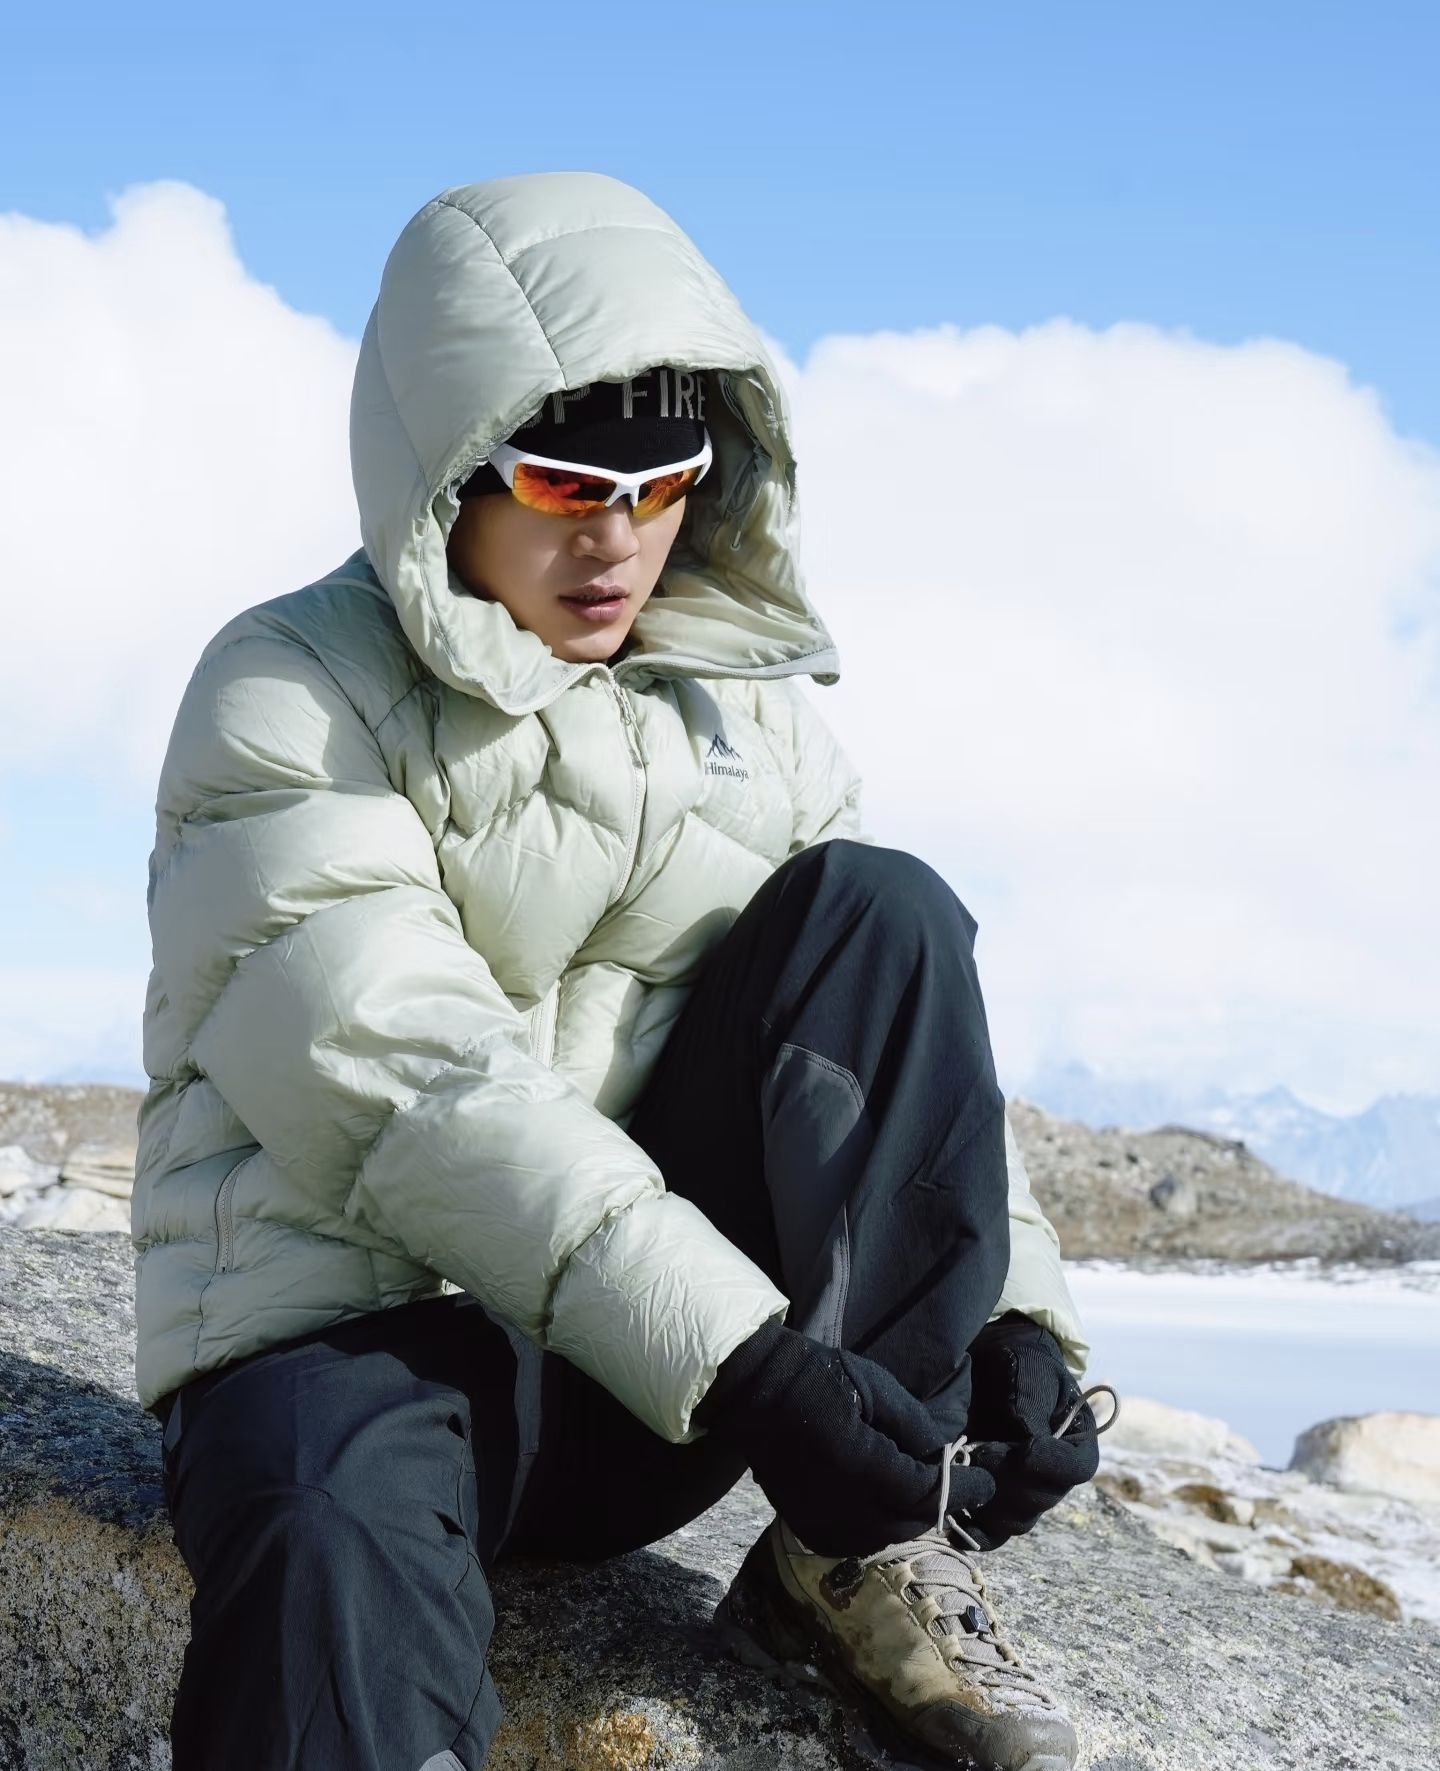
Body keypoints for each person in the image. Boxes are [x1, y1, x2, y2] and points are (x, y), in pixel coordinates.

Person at [135, 171, 1108, 1771]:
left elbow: (892, 1056)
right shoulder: (286, 693)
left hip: (633, 1393)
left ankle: (851, 1556)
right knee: (315, 1550)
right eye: (563, 483)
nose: (618, 540)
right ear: (445, 464)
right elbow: (413, 1085)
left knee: (881, 912)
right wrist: (747, 1359)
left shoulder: (751, 717)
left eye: (664, 488)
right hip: (351, 1360)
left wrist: (1016, 1323)